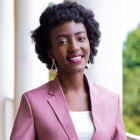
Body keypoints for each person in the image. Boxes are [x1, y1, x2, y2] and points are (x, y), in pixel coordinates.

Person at [10, 1, 127, 140]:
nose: (74, 47)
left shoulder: (111, 100)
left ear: (90, 43)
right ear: (51, 53)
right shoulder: (32, 102)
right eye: (63, 42)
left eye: (81, 38)